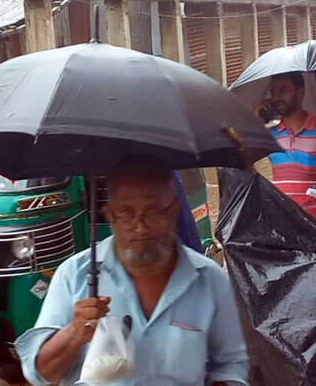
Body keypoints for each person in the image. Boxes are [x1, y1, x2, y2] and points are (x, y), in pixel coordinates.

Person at [14, 156, 249, 385]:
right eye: (127, 213)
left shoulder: (209, 279)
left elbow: (231, 364)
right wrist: (74, 333)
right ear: (111, 216)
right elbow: (41, 374)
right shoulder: (74, 276)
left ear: (173, 212)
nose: (140, 226)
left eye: (153, 211)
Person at [254, 72, 316, 230]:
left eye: (284, 90)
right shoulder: (269, 135)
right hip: (283, 228)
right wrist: (256, 124)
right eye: (274, 92)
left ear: (300, 92)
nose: (276, 98)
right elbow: (243, 163)